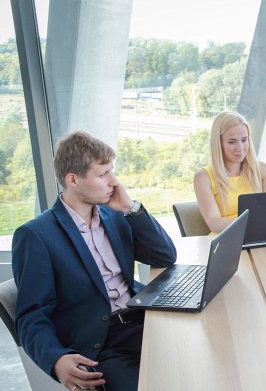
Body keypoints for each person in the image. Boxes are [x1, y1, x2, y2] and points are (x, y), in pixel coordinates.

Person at [12, 131, 177, 391]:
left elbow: (164, 256)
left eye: (112, 171)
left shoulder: (115, 215)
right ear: (73, 179)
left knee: (200, 363)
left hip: (146, 321)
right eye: (103, 174)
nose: (114, 181)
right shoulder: (36, 235)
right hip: (103, 345)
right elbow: (31, 316)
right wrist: (56, 359)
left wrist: (131, 208)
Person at [194, 111, 266, 234]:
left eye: (244, 140)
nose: (240, 148)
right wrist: (256, 222)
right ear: (218, 144)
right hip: (227, 241)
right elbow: (214, 223)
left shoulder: (263, 171)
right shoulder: (203, 177)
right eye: (232, 142)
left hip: (260, 237)